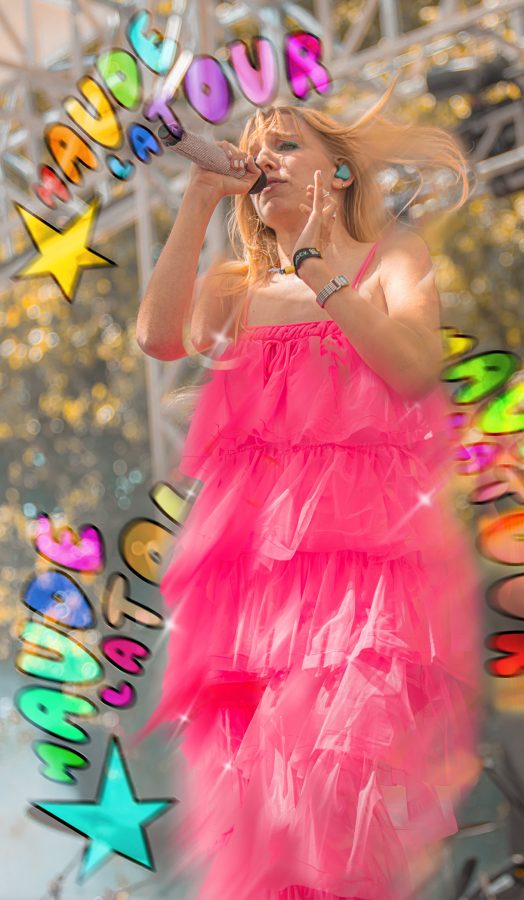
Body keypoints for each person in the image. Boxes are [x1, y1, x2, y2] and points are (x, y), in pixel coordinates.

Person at [134, 73, 484, 900]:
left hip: (361, 567)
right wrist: (199, 199)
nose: (265, 161)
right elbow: (158, 338)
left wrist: (320, 270)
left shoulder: (391, 259)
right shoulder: (239, 288)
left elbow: (411, 369)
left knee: (342, 768)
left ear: (340, 170)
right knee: (265, 784)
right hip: (257, 574)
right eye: (254, 151)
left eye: (286, 145)